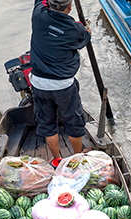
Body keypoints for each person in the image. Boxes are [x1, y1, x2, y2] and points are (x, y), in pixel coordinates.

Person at [29, 0, 90, 165]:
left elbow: (40, 2)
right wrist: (87, 30)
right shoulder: (75, 30)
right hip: (63, 86)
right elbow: (85, 37)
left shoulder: (38, 15)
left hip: (39, 83)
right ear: (70, 7)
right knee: (73, 121)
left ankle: (56, 159)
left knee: (47, 123)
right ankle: (77, 158)